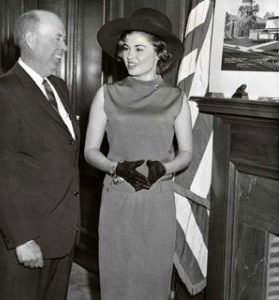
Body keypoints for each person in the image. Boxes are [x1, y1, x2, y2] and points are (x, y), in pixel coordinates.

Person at [84, 7, 193, 300]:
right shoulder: (106, 94)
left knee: (152, 281)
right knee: (117, 280)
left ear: (160, 53)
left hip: (157, 199)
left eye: (139, 48)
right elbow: (90, 151)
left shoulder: (175, 98)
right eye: (126, 48)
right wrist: (115, 168)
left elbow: (186, 154)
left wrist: (163, 168)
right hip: (118, 195)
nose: (129, 55)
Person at [0, 10, 80, 300]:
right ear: (31, 40)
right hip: (26, 237)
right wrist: (22, 239)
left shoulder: (59, 87)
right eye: (58, 39)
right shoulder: (1, 93)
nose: (64, 47)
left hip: (61, 233)